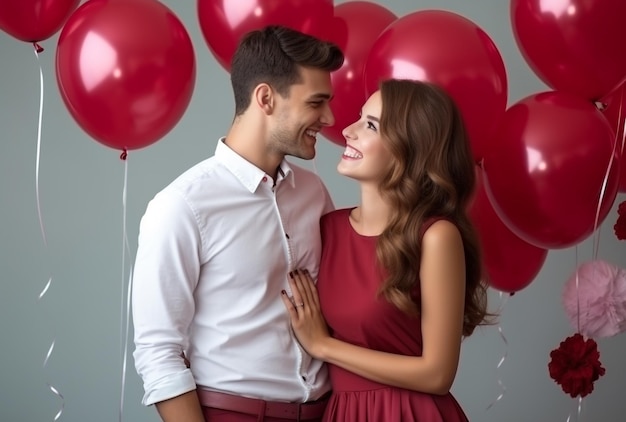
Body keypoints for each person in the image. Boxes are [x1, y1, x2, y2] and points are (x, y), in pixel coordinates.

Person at [131, 25, 344, 422]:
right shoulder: (181, 207)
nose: (329, 118)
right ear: (265, 98)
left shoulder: (314, 193)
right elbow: (159, 352)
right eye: (316, 103)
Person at [280, 79, 492, 421]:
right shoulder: (327, 228)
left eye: (370, 125)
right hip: (342, 413)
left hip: (411, 413)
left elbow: (437, 374)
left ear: (410, 147)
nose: (348, 130)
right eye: (359, 118)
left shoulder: (436, 237)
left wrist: (323, 346)